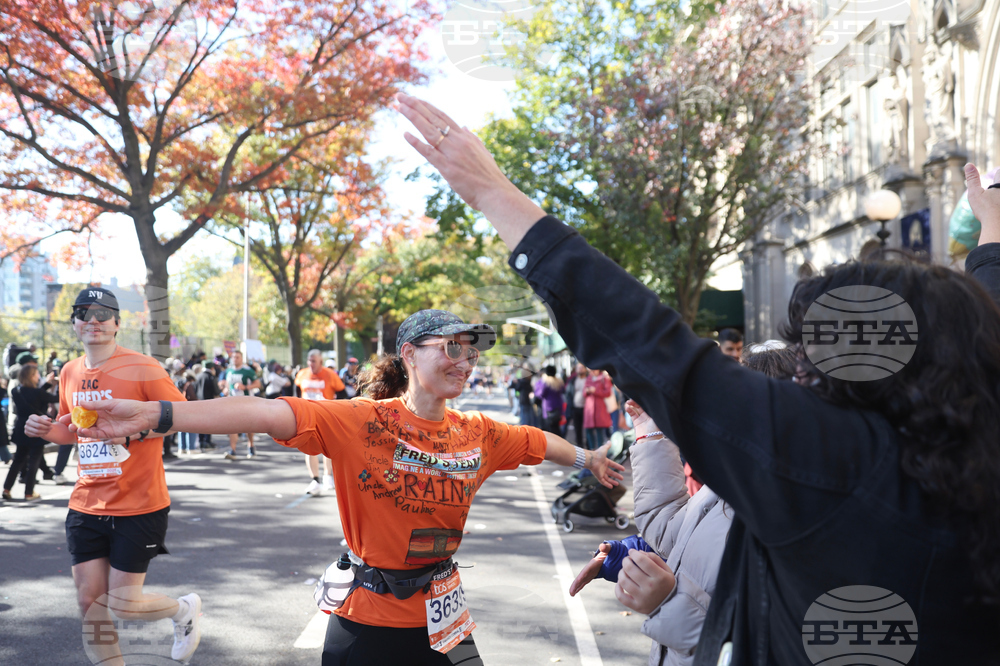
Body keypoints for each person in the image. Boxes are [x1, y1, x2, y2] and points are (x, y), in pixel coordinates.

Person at [396, 94, 1000, 663]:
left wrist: (492, 192)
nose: (801, 369)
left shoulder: (835, 463)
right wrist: (991, 244)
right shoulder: (976, 430)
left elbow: (649, 343)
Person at [66, 307, 625, 666]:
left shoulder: (478, 432)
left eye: (470, 351)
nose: (465, 361)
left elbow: (537, 440)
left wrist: (589, 458)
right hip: (367, 622)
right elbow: (263, 412)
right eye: (451, 348)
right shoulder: (360, 421)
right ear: (409, 354)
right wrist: (159, 414)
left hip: (444, 619)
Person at [569, 345, 798, 666]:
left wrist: (668, 601)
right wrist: (631, 557)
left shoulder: (799, 527)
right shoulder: (732, 486)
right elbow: (676, 535)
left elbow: (765, 647)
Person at [22, 286, 201, 665]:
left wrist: (133, 432)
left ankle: (183, 610)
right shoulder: (70, 371)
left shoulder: (144, 367)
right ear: (74, 323)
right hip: (86, 503)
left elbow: (183, 417)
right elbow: (72, 431)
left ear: (117, 323)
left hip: (139, 504)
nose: (93, 320)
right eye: (83, 313)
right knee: (90, 601)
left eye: (103, 314)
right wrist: (44, 429)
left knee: (122, 604)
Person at [3, 363, 59, 500]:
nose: (38, 377)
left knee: (18, 460)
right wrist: (58, 385)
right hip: (36, 428)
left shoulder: (16, 391)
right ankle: (29, 492)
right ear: (31, 376)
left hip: (21, 429)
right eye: (36, 374)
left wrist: (47, 384)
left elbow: (34, 395)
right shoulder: (38, 393)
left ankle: (6, 489)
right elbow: (52, 398)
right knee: (34, 460)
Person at [295, 349, 346, 495]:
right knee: (308, 448)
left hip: (325, 417)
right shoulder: (302, 374)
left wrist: (335, 409)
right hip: (306, 417)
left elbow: (342, 393)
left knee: (326, 447)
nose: (311, 364)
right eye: (309, 361)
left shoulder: (330, 375)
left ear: (321, 362)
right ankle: (315, 480)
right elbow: (296, 392)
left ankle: (327, 476)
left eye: (314, 361)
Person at [222, 350, 262, 459]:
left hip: (246, 402)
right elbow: (227, 384)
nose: (235, 359)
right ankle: (233, 450)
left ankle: (251, 445)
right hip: (232, 403)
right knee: (232, 427)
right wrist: (226, 389)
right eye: (233, 357)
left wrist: (245, 387)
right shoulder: (229, 370)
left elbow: (258, 384)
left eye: (237, 357)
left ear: (241, 358)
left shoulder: (247, 371)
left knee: (248, 426)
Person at [582, 368, 612, 451]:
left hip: (600, 408)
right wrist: (587, 391)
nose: (592, 372)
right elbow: (584, 393)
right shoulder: (589, 378)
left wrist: (595, 391)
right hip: (589, 409)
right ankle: (592, 450)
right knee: (589, 430)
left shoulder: (603, 378)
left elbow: (608, 392)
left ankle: (600, 450)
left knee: (600, 431)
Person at [194, 361, 219, 450]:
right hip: (209, 403)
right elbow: (216, 391)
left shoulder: (197, 376)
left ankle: (201, 441)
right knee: (209, 423)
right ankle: (207, 441)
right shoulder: (211, 377)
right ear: (212, 368)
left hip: (198, 403)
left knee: (200, 423)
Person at [533, 365, 564, 434]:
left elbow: (541, 394)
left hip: (548, 409)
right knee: (556, 428)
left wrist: (535, 392)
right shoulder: (559, 381)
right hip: (558, 408)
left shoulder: (546, 383)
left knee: (550, 430)